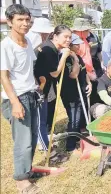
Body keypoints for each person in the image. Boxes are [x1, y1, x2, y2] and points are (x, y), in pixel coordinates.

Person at [1, 4, 41, 193]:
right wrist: (15, 103)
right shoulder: (6, 46)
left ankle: (27, 170)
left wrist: (36, 83)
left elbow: (28, 68)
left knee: (32, 138)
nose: (25, 23)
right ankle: (21, 180)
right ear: (9, 22)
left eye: (27, 19)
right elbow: (4, 77)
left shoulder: (28, 42)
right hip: (17, 98)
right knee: (23, 142)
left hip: (31, 94)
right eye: (20, 20)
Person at [34, 25, 72, 153]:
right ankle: (44, 146)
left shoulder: (51, 47)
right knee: (41, 119)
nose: (68, 40)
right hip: (38, 87)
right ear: (55, 36)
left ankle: (45, 139)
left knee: (45, 116)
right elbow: (55, 72)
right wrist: (64, 56)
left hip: (45, 85)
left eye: (70, 37)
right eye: (65, 37)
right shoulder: (48, 49)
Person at [61, 33, 92, 152]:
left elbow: (83, 71)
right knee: (74, 119)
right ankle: (70, 146)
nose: (79, 47)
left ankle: (78, 139)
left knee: (80, 118)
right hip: (71, 94)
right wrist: (74, 59)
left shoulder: (78, 57)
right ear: (70, 46)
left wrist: (89, 83)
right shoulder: (66, 59)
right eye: (77, 45)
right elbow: (73, 74)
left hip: (81, 92)